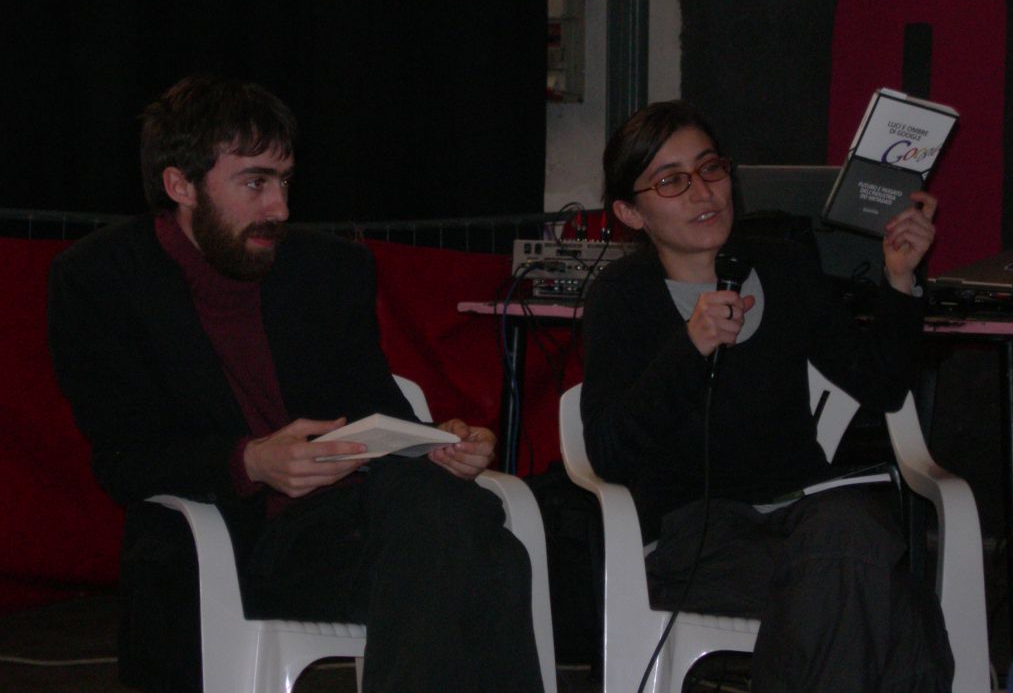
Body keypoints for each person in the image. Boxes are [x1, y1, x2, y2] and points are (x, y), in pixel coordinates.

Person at [48, 74, 543, 693]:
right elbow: (123, 459)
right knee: (479, 547)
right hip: (225, 542)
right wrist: (251, 461)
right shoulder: (99, 281)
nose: (279, 208)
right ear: (180, 185)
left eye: (284, 181)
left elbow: (373, 408)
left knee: (451, 525)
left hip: (350, 529)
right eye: (255, 182)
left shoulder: (329, 268)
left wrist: (436, 442)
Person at [581, 100, 954, 692]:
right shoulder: (621, 296)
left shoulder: (782, 267)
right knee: (889, 598)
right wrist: (690, 348)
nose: (703, 193)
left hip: (805, 520)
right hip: (694, 539)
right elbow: (608, 450)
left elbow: (880, 386)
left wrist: (900, 282)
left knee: (849, 539)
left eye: (711, 169)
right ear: (631, 212)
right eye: (672, 181)